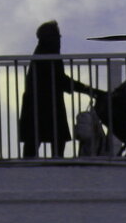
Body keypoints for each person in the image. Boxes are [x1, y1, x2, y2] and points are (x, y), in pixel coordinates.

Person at [17, 20, 94, 158]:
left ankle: (30, 165)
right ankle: (55, 162)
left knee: (37, 138)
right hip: (45, 103)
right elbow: (60, 79)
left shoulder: (42, 53)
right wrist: (86, 89)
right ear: (50, 37)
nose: (60, 38)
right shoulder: (48, 55)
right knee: (54, 137)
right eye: (57, 35)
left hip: (40, 103)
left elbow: (59, 79)